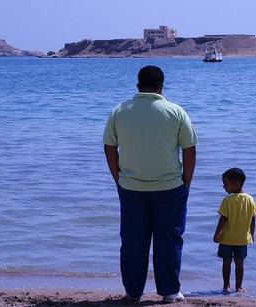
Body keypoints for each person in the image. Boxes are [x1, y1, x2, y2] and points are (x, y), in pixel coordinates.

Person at [103, 65, 197, 303]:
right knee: (170, 240)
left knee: (133, 242)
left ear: (138, 85)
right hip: (170, 187)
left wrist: (118, 178)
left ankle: (133, 293)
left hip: (132, 187)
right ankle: (169, 292)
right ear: (161, 86)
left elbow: (109, 147)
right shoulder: (176, 111)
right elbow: (189, 150)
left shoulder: (120, 111)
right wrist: (186, 183)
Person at [213, 168, 256, 294]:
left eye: (226, 184)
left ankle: (226, 286)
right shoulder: (250, 199)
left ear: (237, 183)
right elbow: (253, 218)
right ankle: (238, 287)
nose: (224, 187)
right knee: (240, 263)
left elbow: (223, 219)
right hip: (242, 239)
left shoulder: (227, 200)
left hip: (227, 238)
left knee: (226, 262)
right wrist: (252, 234)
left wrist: (216, 234)